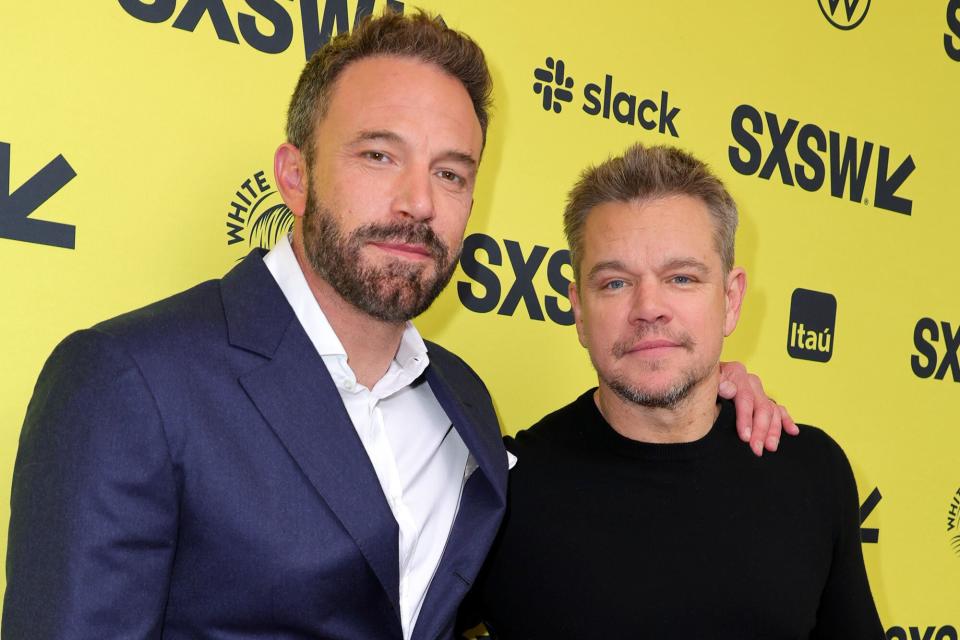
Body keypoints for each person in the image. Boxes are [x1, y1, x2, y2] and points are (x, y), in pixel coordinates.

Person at [4, 11, 793, 640]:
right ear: (295, 175)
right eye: (380, 156)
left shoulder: (465, 406)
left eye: (449, 172)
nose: (418, 201)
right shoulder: (129, 380)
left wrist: (700, 392)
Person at [470, 143, 884, 639]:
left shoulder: (812, 472)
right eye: (616, 283)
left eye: (681, 278)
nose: (649, 307)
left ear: (730, 300)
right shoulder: (505, 493)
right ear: (579, 310)